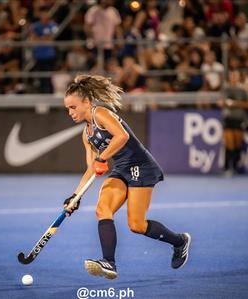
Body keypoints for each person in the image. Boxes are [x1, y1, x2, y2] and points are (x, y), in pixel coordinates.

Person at [62, 75, 191, 280]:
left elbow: (122, 136)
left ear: (86, 102)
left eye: (73, 107)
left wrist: (102, 157)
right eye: (68, 109)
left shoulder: (101, 113)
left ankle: (179, 242)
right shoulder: (86, 134)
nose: (70, 113)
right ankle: (109, 263)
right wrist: (75, 196)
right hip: (121, 169)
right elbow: (91, 168)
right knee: (102, 209)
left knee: (136, 225)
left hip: (140, 166)